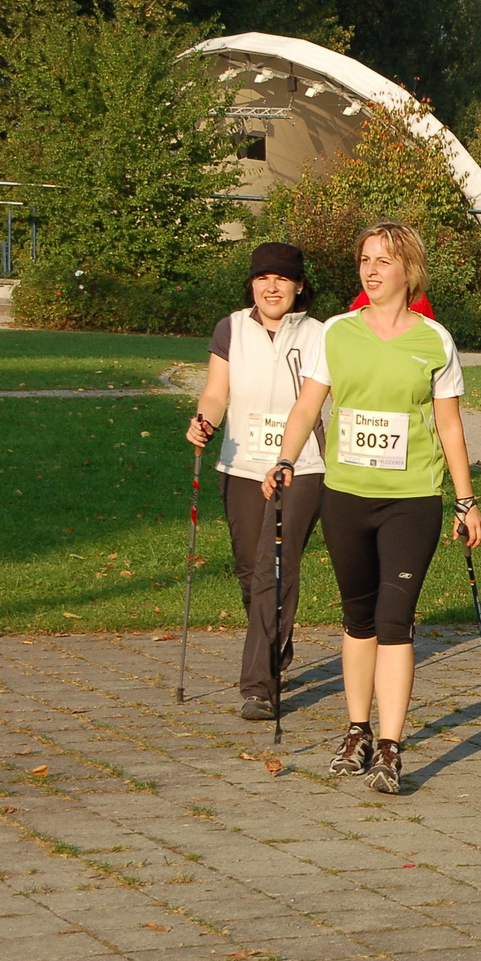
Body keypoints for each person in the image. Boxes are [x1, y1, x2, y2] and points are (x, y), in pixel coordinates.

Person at [266, 221, 481, 795]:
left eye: (384, 260)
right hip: (346, 496)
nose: (371, 269)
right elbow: (306, 407)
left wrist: (467, 501)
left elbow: (450, 426)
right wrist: (285, 460)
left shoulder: (435, 340)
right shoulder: (335, 333)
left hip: (412, 500)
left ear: (408, 270)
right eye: (365, 259)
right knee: (358, 619)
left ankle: (390, 746)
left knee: (395, 621)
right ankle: (356, 729)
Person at [187, 242, 327, 720]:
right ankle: (275, 644)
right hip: (242, 465)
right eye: (263, 278)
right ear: (251, 284)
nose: (272, 287)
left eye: (282, 279)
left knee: (274, 567)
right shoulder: (231, 328)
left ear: (299, 286)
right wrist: (203, 420)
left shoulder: (320, 335)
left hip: (303, 466)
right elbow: (215, 392)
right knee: (251, 572)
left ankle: (258, 686)